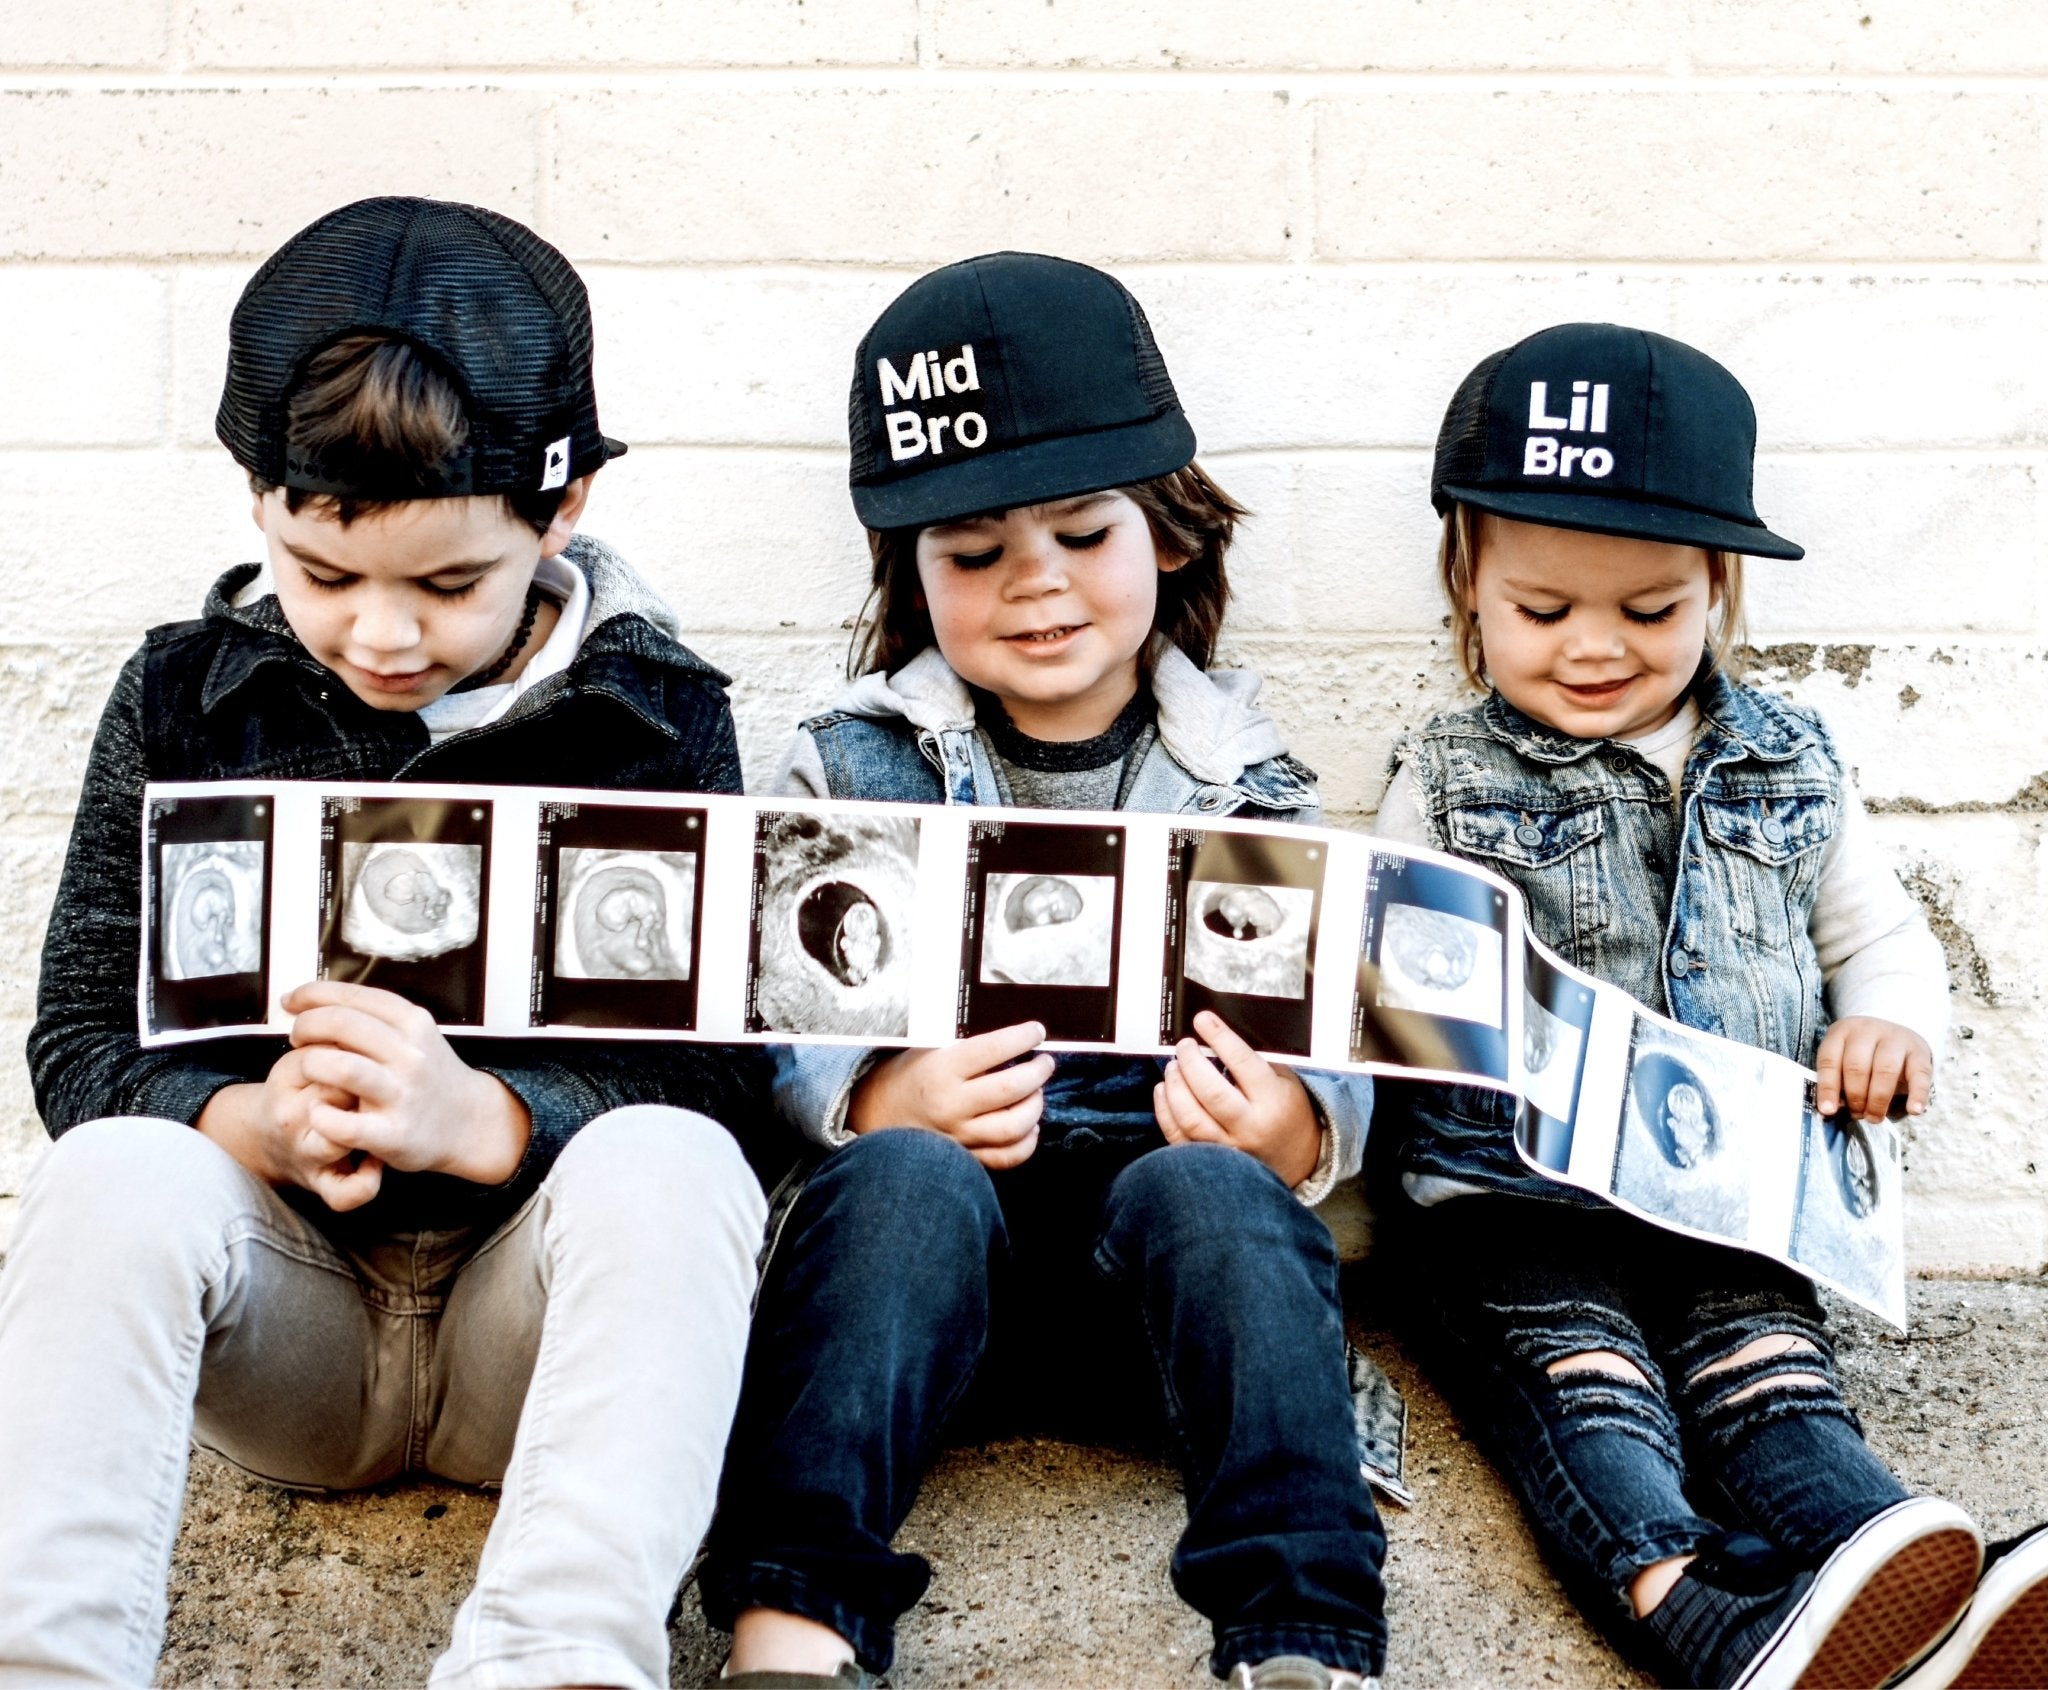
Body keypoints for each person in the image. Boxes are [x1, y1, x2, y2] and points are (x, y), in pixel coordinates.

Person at [0, 197, 776, 1689]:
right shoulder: (186, 694)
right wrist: (250, 1122)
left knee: (679, 1166)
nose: (381, 634)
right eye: (325, 573)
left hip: (524, 1329)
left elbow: (732, 1089)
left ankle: (556, 1662)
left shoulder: (658, 715)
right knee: (109, 1170)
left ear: (564, 515)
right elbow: (77, 1037)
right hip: (279, 1322)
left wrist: (486, 1120)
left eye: (447, 585)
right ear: (256, 506)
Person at [698, 253, 1388, 1690]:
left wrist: (1295, 1127)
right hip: (920, 1302)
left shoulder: (1244, 780)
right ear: (910, 573)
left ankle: (1304, 1639)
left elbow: (1333, 1034)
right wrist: (880, 1093)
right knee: (898, 1182)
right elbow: (777, 1027)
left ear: (1173, 535)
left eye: (1084, 533)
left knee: (1214, 1188)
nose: (1039, 587)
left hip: (1157, 1298)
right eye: (974, 555)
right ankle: (794, 1630)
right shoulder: (856, 763)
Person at [1371, 321, 2048, 1689]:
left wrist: (1891, 1028)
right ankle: (1712, 1619)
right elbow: (1380, 989)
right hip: (1510, 1208)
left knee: (1771, 1377)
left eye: (1650, 608)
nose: (1595, 649)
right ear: (1469, 587)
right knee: (1591, 1391)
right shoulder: (1443, 772)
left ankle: (1909, 1589)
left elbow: (1882, 939)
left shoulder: (1785, 760)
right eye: (1544, 609)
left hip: (1740, 1196)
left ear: (1720, 588)